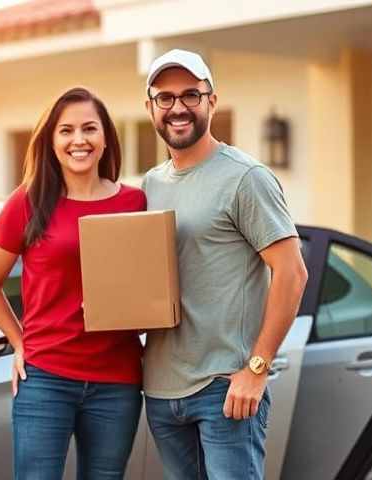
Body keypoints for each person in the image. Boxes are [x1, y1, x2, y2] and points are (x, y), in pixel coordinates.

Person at [140, 49, 309, 479]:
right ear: (151, 108)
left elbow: (292, 272)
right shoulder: (150, 184)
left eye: (191, 95)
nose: (178, 107)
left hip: (224, 388)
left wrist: (256, 369)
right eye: (165, 98)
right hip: (161, 389)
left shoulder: (245, 177)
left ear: (211, 101)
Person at [0, 86, 145, 480]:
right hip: (46, 377)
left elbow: (149, 287)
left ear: (106, 138)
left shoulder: (135, 203)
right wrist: (20, 343)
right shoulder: (28, 201)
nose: (79, 140)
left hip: (117, 379)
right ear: (51, 141)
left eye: (89, 128)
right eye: (66, 131)